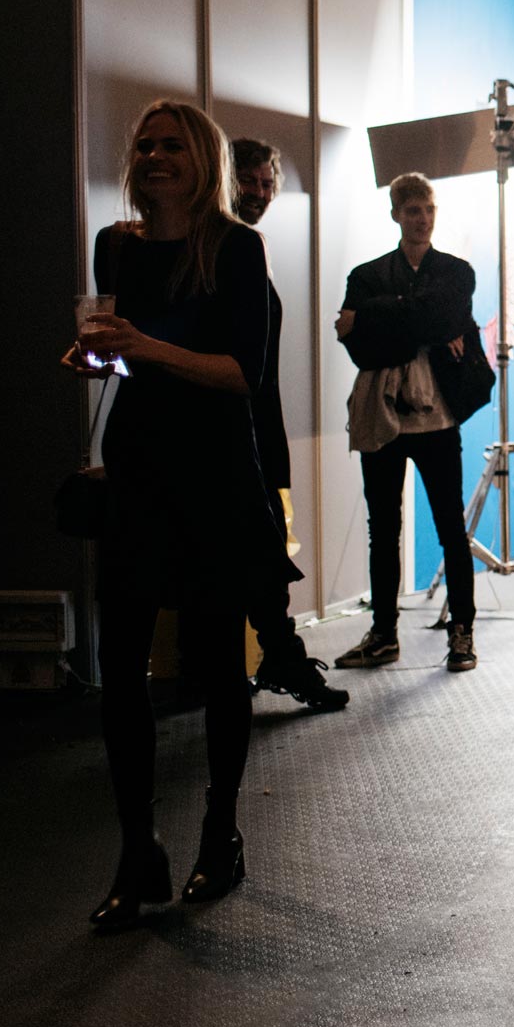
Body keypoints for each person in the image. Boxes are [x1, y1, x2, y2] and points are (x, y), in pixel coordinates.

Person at [66, 99, 285, 928]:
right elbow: (115, 354)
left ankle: (219, 832)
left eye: (172, 146)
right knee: (120, 668)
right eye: (144, 145)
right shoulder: (115, 244)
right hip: (138, 469)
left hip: (214, 474)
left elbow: (243, 373)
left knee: (216, 664)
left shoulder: (236, 246)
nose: (155, 156)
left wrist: (145, 347)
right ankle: (137, 850)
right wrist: (96, 354)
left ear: (203, 159)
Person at [334, 173, 485, 673]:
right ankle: (383, 634)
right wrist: (421, 326)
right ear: (396, 214)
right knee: (384, 530)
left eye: (428, 209)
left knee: (449, 528)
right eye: (412, 209)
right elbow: (360, 346)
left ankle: (461, 631)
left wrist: (379, 317)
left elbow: (443, 319)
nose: (421, 218)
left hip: (437, 418)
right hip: (382, 417)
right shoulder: (367, 272)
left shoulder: (456, 271)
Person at [226, 138, 343, 711]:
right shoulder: (229, 247)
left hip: (258, 425)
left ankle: (279, 657)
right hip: (228, 430)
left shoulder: (250, 247)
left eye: (268, 183)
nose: (260, 192)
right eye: (249, 180)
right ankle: (277, 659)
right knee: (257, 552)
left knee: (265, 551)